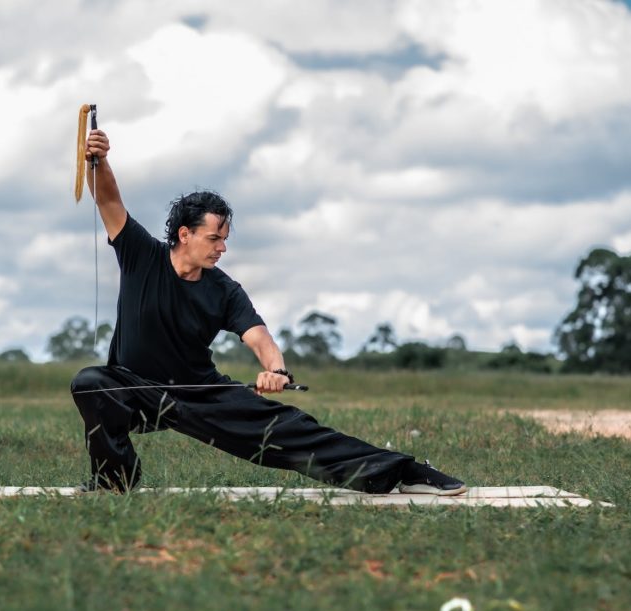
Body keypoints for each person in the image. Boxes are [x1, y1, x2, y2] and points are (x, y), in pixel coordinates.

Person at [70, 128, 466, 496]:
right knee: (90, 382)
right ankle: (114, 481)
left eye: (224, 240)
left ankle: (405, 471)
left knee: (292, 433)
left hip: (201, 393)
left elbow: (258, 336)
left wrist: (275, 371)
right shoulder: (142, 255)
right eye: (213, 238)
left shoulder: (223, 289)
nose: (221, 248)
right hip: (133, 391)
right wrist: (100, 160)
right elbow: (107, 200)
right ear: (184, 235)